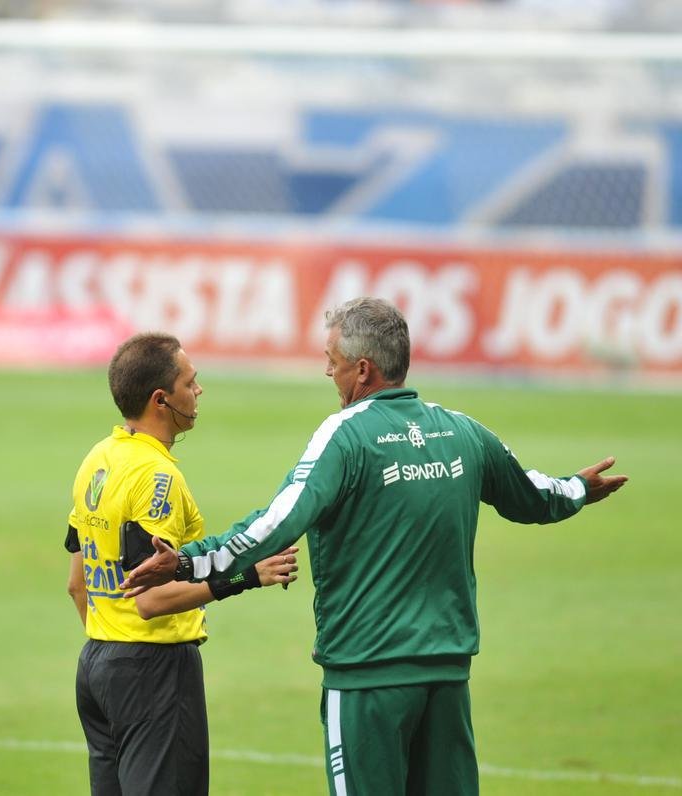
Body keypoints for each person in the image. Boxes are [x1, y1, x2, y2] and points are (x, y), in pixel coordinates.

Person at [120, 298, 628, 796]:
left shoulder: (345, 437)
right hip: (447, 676)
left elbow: (275, 524)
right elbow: (532, 494)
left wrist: (188, 561)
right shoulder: (461, 431)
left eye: (332, 362)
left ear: (362, 370)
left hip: (367, 677)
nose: (328, 373)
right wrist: (579, 488)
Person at [65, 332, 300, 796]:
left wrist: (112, 643)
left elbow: (78, 585)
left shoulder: (98, 459)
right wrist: (246, 577)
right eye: (190, 383)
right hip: (152, 671)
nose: (199, 392)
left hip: (97, 664)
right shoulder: (157, 477)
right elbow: (152, 600)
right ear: (161, 399)